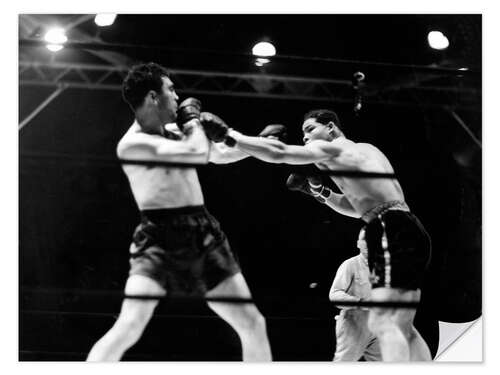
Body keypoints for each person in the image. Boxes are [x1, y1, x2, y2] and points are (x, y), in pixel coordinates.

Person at [197, 109, 432, 361]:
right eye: (303, 134)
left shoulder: (334, 150)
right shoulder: (368, 150)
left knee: (386, 324)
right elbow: (359, 208)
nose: (306, 138)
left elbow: (280, 154)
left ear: (331, 127)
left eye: (310, 129)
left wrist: (229, 135)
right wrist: (322, 194)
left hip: (388, 229)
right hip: (408, 227)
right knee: (404, 327)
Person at [86, 62, 272, 361]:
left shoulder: (176, 131)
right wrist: (194, 123)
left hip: (203, 233)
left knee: (252, 323)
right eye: (171, 89)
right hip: (159, 238)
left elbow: (220, 155)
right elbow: (194, 154)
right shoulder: (133, 144)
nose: (177, 96)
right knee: (130, 325)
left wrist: (258, 143)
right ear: (152, 97)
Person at [329, 228, 381, 361]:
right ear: (358, 243)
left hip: (379, 324)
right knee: (345, 364)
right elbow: (334, 294)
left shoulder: (384, 267)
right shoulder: (350, 265)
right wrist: (360, 302)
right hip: (354, 323)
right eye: (365, 239)